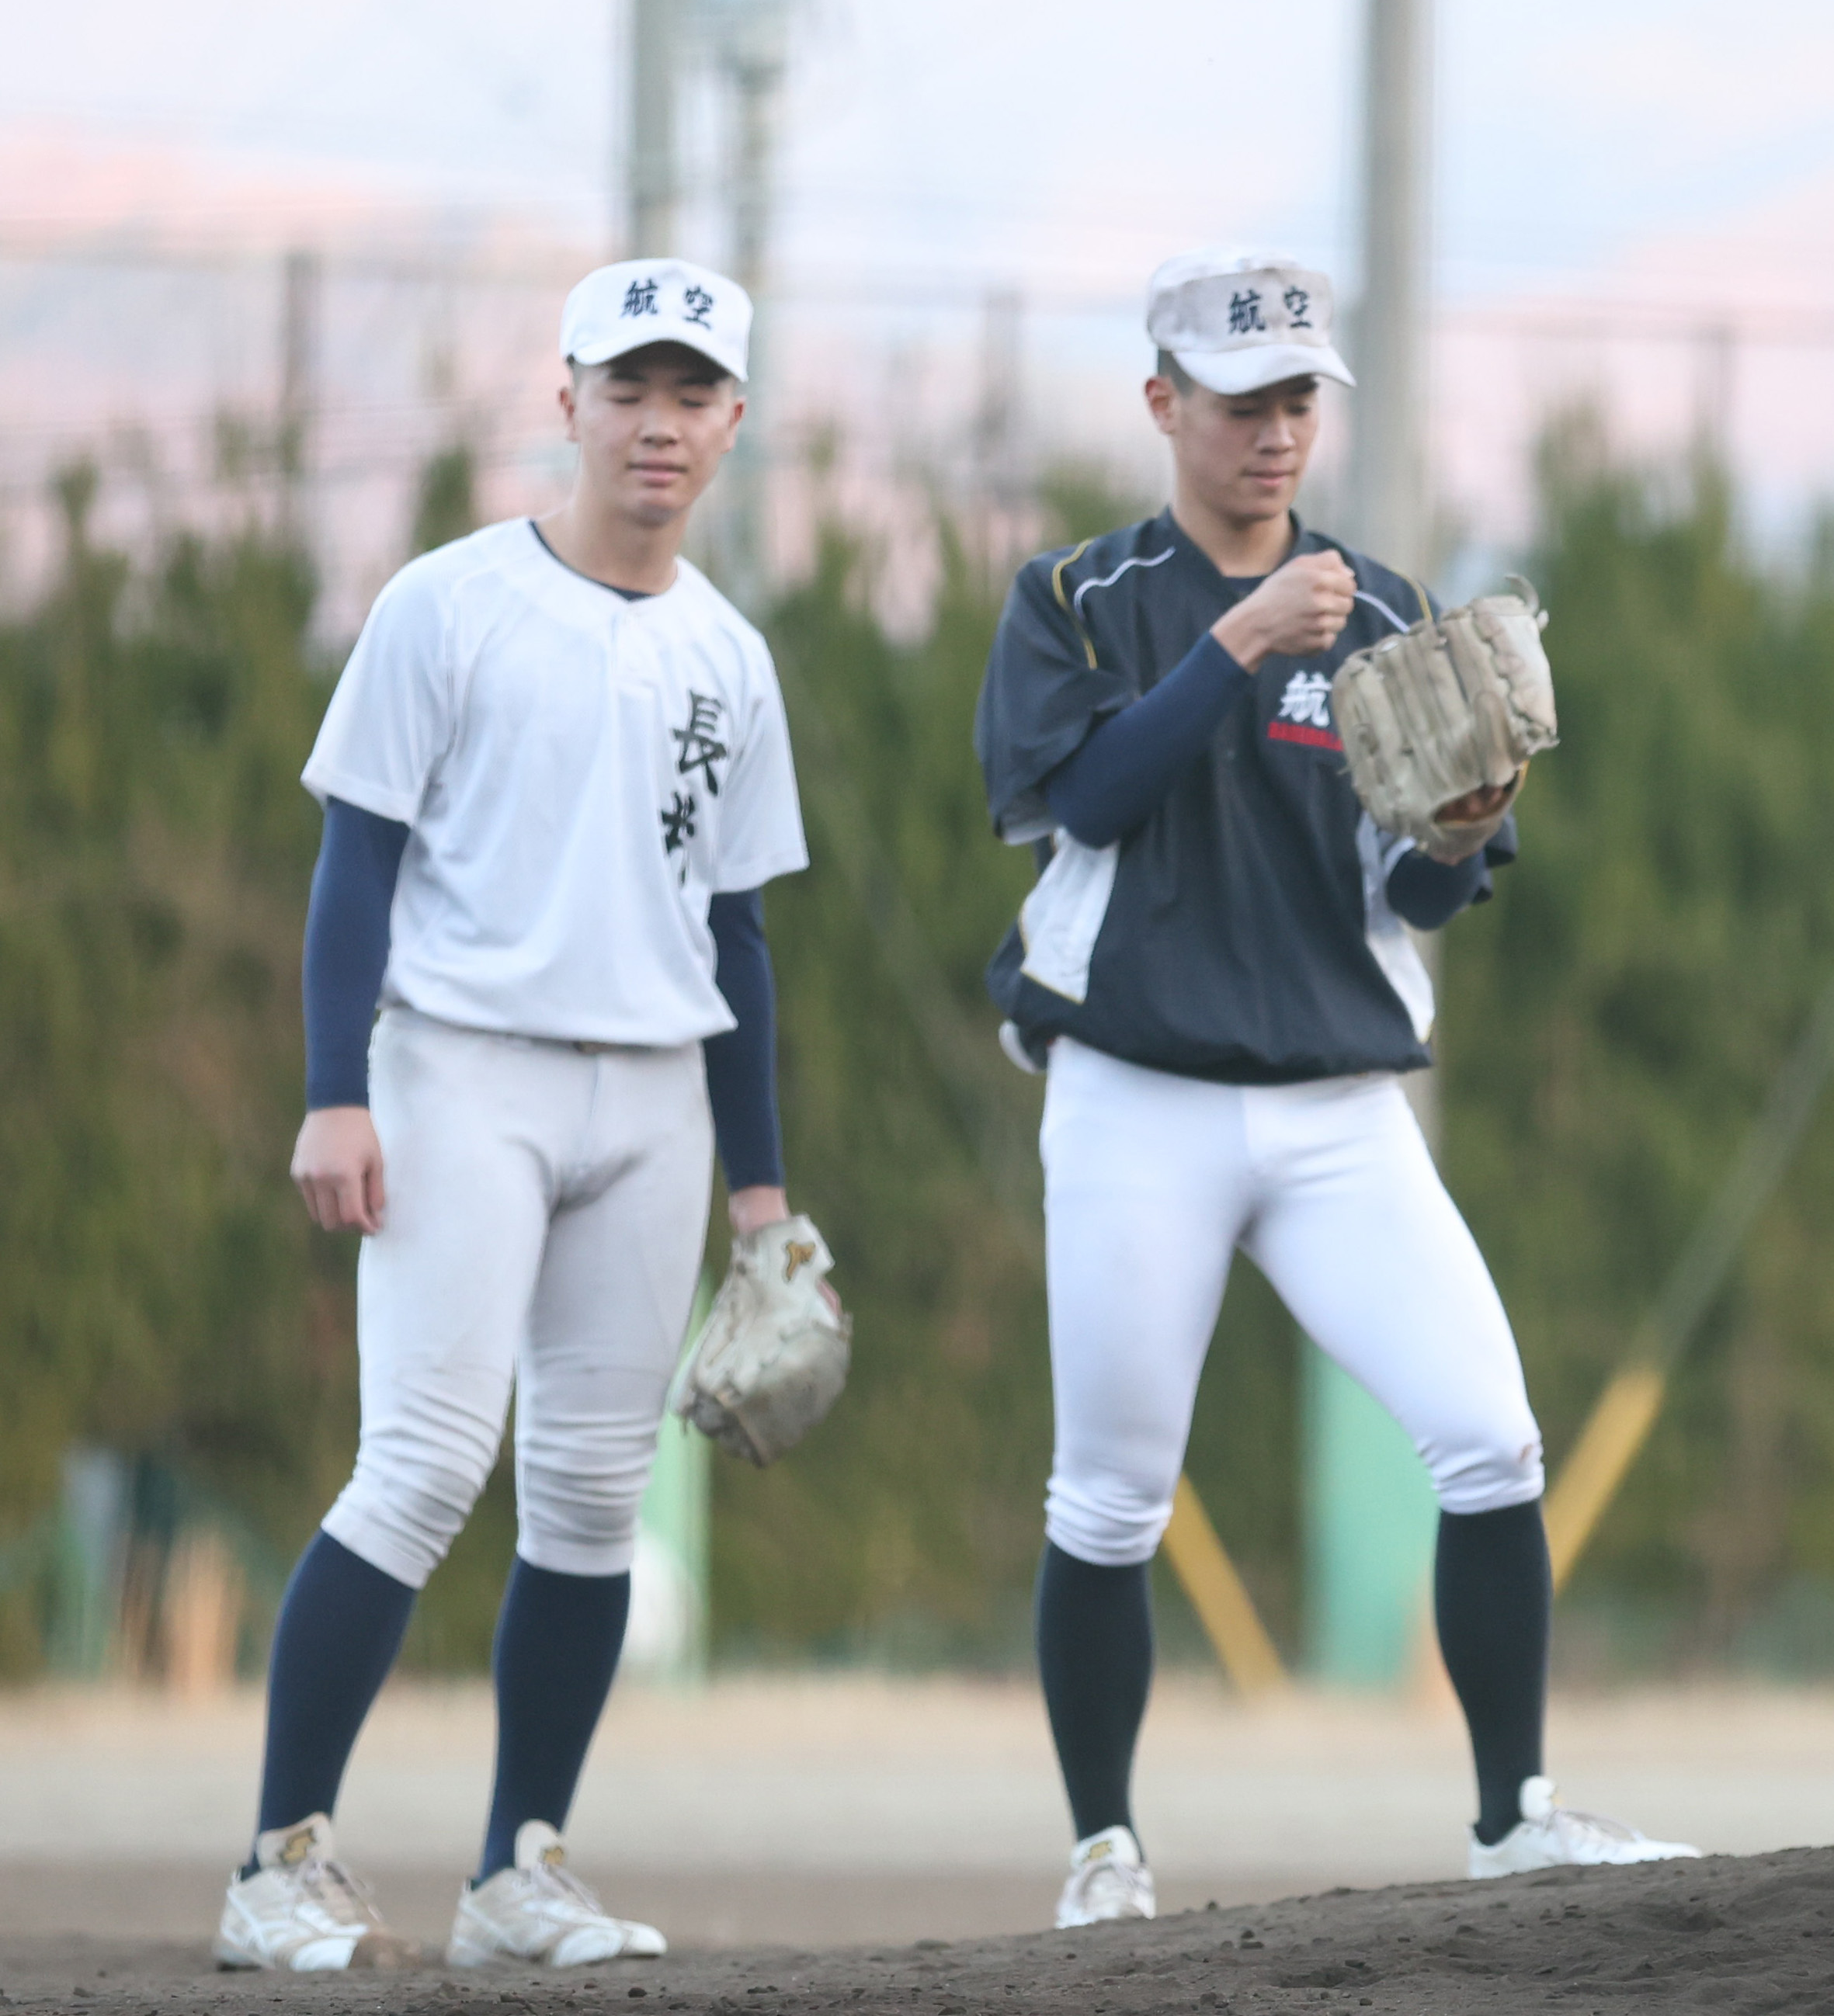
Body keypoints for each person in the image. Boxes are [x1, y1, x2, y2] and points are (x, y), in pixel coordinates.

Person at [973, 248, 1696, 1930]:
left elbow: (1429, 893)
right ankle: (1103, 1849)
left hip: (1334, 1109)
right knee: (1110, 1490)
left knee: (1490, 1432)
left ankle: (1513, 1813)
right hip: (1136, 1092)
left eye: (1299, 398)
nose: (1275, 432)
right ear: (1164, 406)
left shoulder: (1384, 613)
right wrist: (1229, 645)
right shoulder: (1079, 597)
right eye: (1241, 404)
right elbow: (1079, 799)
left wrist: (1460, 822)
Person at [217, 260, 811, 1973]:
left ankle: (515, 1869)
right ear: (566, 398)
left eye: (692, 391)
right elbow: (357, 864)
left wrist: (762, 1200)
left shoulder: (730, 656)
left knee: (589, 1498)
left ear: (732, 425)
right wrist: (337, 1090)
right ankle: (274, 1862)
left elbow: (739, 936)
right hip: (457, 1065)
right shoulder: (450, 602)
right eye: (628, 384)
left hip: (652, 1098)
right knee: (417, 1467)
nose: (658, 419)